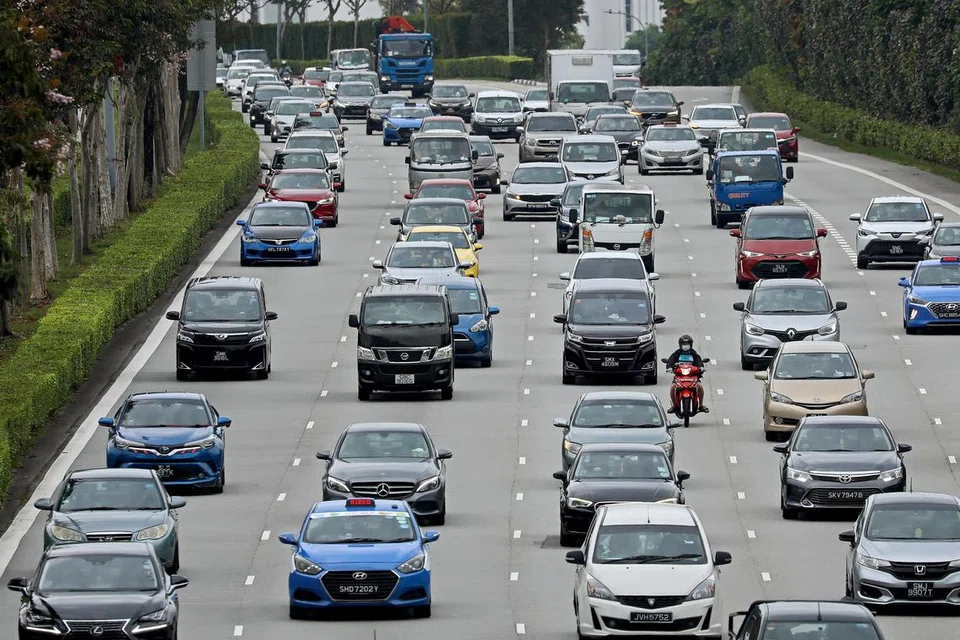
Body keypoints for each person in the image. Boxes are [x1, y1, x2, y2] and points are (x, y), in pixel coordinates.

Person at [664, 334, 709, 413]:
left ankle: (701, 405)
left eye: (687, 344)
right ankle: (674, 406)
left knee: (700, 386)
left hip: (692, 376)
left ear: (690, 345)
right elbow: (671, 360)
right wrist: (670, 367)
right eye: (684, 344)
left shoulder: (693, 353)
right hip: (680, 376)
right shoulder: (677, 353)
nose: (685, 346)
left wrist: (701, 367)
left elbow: (699, 361)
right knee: (673, 387)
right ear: (680, 345)